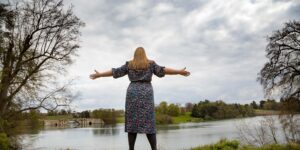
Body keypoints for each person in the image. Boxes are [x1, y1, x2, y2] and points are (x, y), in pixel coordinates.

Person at [89, 47, 190, 150]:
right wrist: (178, 72)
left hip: (132, 93)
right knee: (149, 123)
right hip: (146, 93)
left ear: (135, 55)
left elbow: (115, 72)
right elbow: (163, 70)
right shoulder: (151, 64)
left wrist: (100, 74)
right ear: (144, 54)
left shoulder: (129, 64)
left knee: (132, 124)